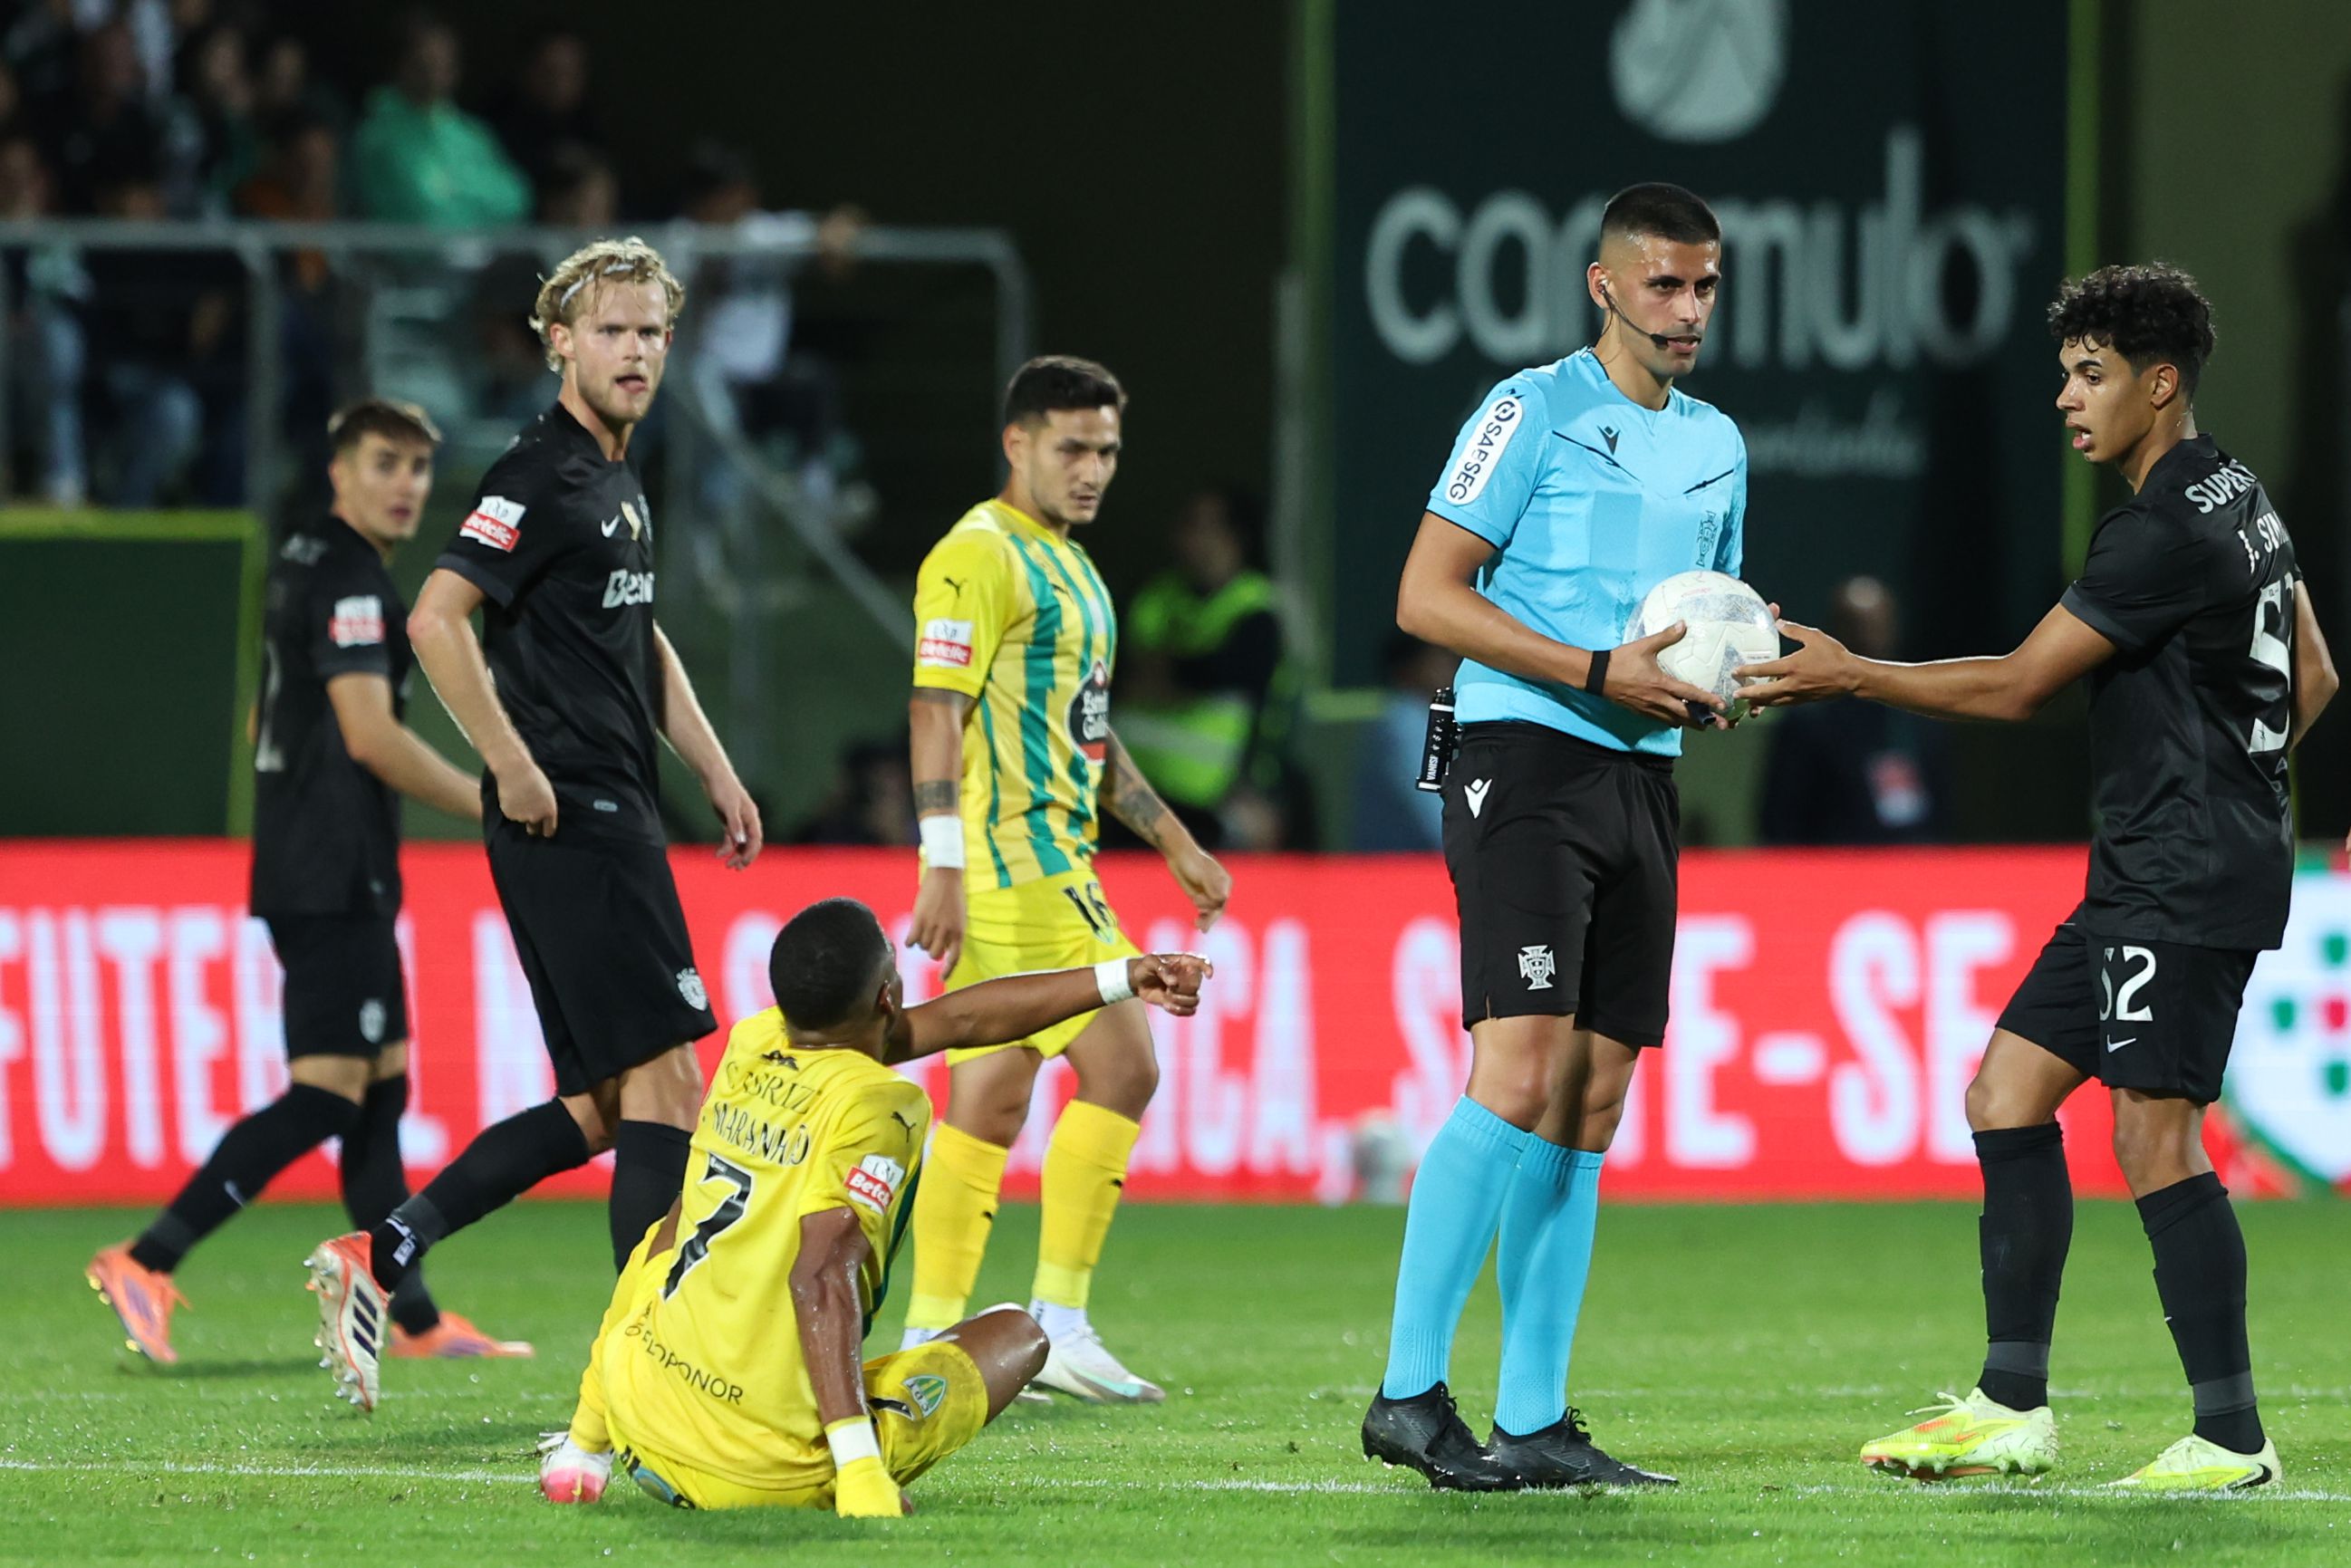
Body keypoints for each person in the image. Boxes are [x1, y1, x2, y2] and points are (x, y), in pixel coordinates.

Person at [1738, 264, 2337, 1491]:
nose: (2065, 397)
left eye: (2090, 373)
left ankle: (2230, 1434)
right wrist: (2240, 779)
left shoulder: (2157, 523)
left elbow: (2017, 684)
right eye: (2062, 371)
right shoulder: (2236, 493)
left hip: (2173, 871)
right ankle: (2012, 1403)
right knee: (2003, 1092)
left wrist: (1852, 673)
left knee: (2151, 1134)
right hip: (2162, 861)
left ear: (2155, 382)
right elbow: (2314, 674)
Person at [303, 237, 764, 1412]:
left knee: (610, 1104)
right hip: (577, 815)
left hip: (614, 809)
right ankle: (656, 1380)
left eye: (652, 332)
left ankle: (382, 1252)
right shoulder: (540, 474)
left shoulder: (613, 478)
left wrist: (714, 769)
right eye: (611, 330)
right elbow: (437, 619)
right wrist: (507, 761)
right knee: (669, 1091)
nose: (635, 352)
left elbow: (638, 638)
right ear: (558, 340)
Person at [1368, 182, 1744, 1492]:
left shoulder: (1718, 445)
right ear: (1602, 285)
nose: (1684, 308)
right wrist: (1590, 668)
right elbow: (1425, 590)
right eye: (1660, 284)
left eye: (1702, 286)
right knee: (1516, 1070)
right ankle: (1407, 1389)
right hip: (1523, 755)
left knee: (1590, 1099)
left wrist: (1731, 675)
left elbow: (1701, 618)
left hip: (1644, 772)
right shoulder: (1526, 409)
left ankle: (1531, 1416)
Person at [86, 399, 525, 1365]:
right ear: (339, 471)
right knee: (330, 1096)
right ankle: (148, 1258)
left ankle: (412, 1320)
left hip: (319, 859)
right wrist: (493, 799)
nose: (406, 484)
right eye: (385, 464)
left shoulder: (299, 564)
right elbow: (370, 736)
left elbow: (262, 721)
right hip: (333, 868)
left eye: (417, 467)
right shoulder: (353, 580)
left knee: (380, 1090)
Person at [535, 898, 1214, 1514]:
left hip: (637, 1411)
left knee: (681, 1226)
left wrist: (1123, 976)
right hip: (753, 1470)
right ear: (887, 994)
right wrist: (859, 1472)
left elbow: (963, 1018)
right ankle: (845, 1450)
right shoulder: (879, 1105)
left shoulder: (754, 1041)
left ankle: (583, 1442)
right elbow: (821, 1276)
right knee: (1016, 1334)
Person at [901, 355, 1232, 1403]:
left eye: (1107, 451)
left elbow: (1086, 734)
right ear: (1018, 443)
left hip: (1056, 857)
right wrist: (940, 862)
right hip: (1016, 866)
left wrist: (1171, 837)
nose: (1093, 470)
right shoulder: (977, 554)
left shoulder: (1072, 565)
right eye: (1072, 448)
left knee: (991, 1100)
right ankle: (1060, 1321)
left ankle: (931, 1330)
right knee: (1127, 1069)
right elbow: (932, 706)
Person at [1114, 486, 1290, 850]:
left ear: (1235, 537)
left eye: (1203, 526)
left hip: (1215, 800)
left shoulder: (1255, 608)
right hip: (1129, 793)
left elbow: (1228, 675)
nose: (1188, 537)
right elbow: (1120, 668)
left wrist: (1171, 672)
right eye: (1186, 525)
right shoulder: (1155, 598)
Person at [1756, 576, 1952, 845]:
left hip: (1913, 865)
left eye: (1876, 624)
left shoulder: (1919, 712)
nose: (1867, 635)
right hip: (1834, 869)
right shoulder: (1808, 720)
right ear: (1834, 630)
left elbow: (1941, 805)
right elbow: (1780, 816)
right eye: (1856, 625)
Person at [347, 13, 528, 227]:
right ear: (401, 63)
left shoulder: (473, 132)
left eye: (445, 60)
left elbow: (516, 200)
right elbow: (425, 212)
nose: (436, 70)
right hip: (406, 259)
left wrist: (455, 189)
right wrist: (475, 198)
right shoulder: (377, 135)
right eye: (427, 61)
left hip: (485, 258)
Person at [1349, 633, 1456, 852]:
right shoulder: (1402, 721)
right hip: (1396, 873)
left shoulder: (1429, 720)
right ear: (1410, 667)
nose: (1451, 666)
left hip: (1415, 869)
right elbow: (1440, 823)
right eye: (1440, 656)